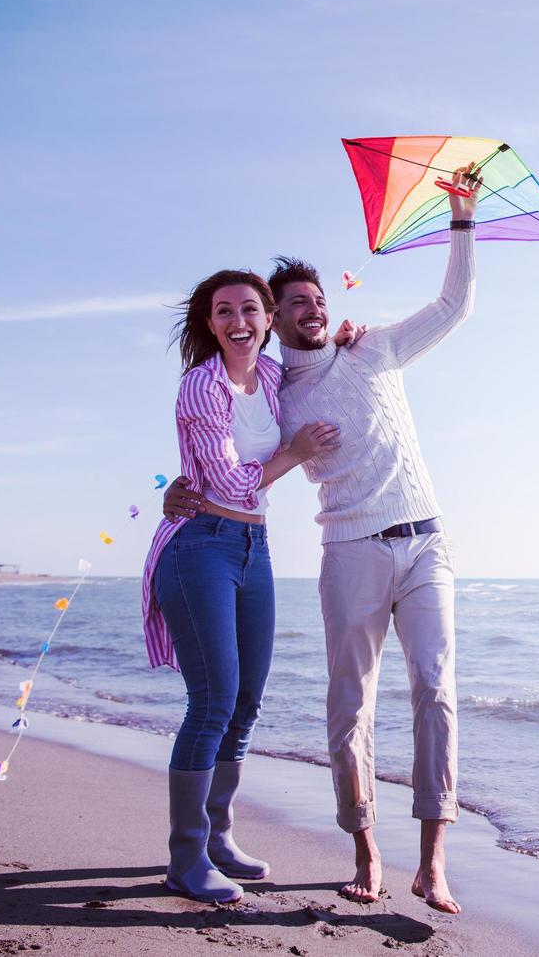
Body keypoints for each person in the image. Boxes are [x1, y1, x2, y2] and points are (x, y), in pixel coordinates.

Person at [165, 163, 481, 913]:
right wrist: (182, 487)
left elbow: (454, 304)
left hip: (425, 541)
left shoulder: (373, 349)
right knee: (349, 705)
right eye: (293, 303)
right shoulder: (278, 388)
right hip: (347, 549)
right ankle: (365, 850)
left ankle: (434, 861)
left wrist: (461, 218)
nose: (310, 308)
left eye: (317, 299)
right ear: (274, 320)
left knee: (435, 691)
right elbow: (227, 439)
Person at [141, 269, 339, 903]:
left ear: (268, 319)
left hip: (255, 548)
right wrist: (297, 452)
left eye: (251, 309)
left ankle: (219, 837)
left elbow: (319, 361)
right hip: (200, 545)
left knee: (247, 700)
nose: (239, 321)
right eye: (224, 312)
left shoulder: (277, 376)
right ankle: (185, 858)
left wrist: (347, 334)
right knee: (213, 701)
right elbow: (227, 484)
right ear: (210, 324)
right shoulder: (202, 384)